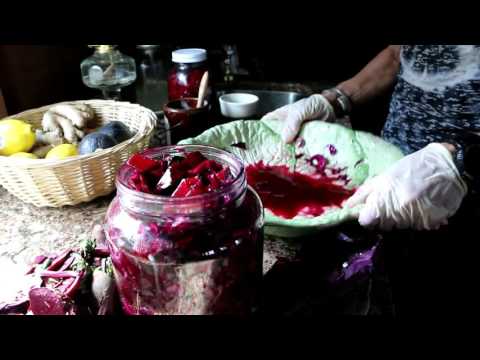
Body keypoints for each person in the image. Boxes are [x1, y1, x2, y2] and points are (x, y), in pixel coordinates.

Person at [263, 45, 480, 315]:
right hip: (386, 184)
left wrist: (460, 161)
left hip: (462, 200)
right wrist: (336, 98)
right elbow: (397, 52)